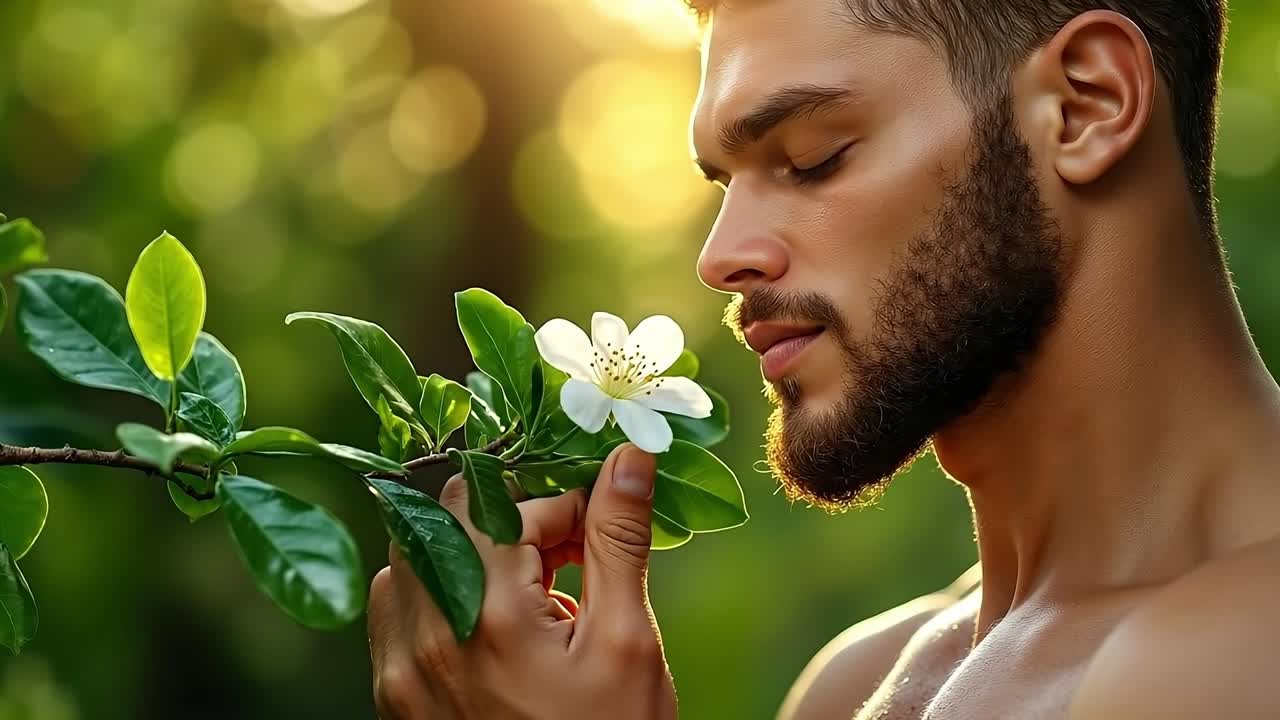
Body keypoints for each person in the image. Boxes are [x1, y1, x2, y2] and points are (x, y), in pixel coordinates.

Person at [366, 0, 1280, 717]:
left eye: (812, 159)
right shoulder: (856, 684)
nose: (720, 258)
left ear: (1084, 105)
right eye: (727, 183)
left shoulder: (1239, 657)